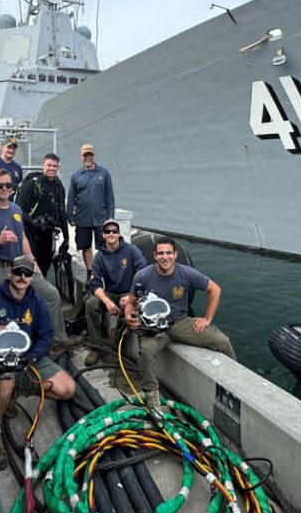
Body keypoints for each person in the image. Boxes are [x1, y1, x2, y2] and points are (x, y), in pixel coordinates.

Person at [0, 255, 76, 470]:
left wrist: (32, 356)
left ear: (32, 277)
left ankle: (15, 392)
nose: (22, 277)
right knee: (6, 382)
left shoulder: (37, 303)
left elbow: (46, 337)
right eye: (18, 272)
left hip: (27, 360)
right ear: (10, 273)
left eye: (27, 273)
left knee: (67, 389)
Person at [0, 168, 78, 355]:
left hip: (19, 266)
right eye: (0, 186)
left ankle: (58, 340)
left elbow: (22, 237)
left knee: (51, 295)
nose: (5, 189)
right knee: (2, 313)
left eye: (8, 185)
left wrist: (33, 261)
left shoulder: (15, 210)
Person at [124, 237, 236, 408]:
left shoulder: (187, 273)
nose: (165, 257)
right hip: (154, 327)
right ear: (155, 256)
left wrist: (207, 318)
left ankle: (234, 384)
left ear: (175, 255)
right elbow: (131, 302)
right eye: (161, 253)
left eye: (168, 253)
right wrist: (128, 316)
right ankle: (152, 395)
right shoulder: (143, 275)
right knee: (146, 351)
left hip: (180, 323)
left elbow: (215, 290)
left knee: (222, 341)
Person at [84, 219, 147, 365]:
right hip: (111, 292)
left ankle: (117, 340)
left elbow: (143, 274)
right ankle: (96, 347)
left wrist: (131, 297)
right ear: (103, 235)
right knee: (91, 304)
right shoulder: (99, 256)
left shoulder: (131, 250)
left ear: (119, 234)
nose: (111, 234)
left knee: (127, 307)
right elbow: (94, 283)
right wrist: (107, 302)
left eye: (114, 231)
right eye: (108, 232)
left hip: (129, 291)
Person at [14, 153, 69, 278]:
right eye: (49, 165)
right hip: (31, 233)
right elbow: (17, 210)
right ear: (43, 166)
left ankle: (41, 287)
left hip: (47, 233)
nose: (51, 168)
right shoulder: (31, 185)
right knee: (30, 266)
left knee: (44, 266)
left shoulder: (59, 187)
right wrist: (32, 222)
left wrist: (66, 239)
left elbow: (62, 212)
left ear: (58, 168)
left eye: (54, 166)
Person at [66, 143, 115, 271]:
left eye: (90, 155)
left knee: (105, 245)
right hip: (83, 217)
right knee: (85, 245)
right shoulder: (76, 176)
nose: (88, 158)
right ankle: (90, 271)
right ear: (81, 157)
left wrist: (111, 217)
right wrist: (70, 215)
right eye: (85, 155)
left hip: (101, 217)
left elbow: (109, 196)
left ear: (94, 156)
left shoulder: (104, 173)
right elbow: (71, 197)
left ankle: (104, 270)